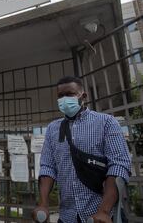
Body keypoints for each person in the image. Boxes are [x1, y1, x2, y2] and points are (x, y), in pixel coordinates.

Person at [33, 76, 131, 223]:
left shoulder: (106, 122)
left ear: (83, 96)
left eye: (70, 94)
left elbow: (119, 165)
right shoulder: (53, 128)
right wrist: (43, 204)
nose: (64, 99)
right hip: (67, 217)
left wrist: (104, 211)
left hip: (102, 216)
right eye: (60, 96)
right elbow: (48, 167)